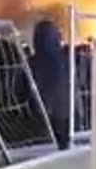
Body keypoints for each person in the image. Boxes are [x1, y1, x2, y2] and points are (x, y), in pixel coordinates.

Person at [28, 20, 71, 150]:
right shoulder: (65, 59)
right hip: (64, 111)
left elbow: (21, 87)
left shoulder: (32, 63)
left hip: (41, 112)